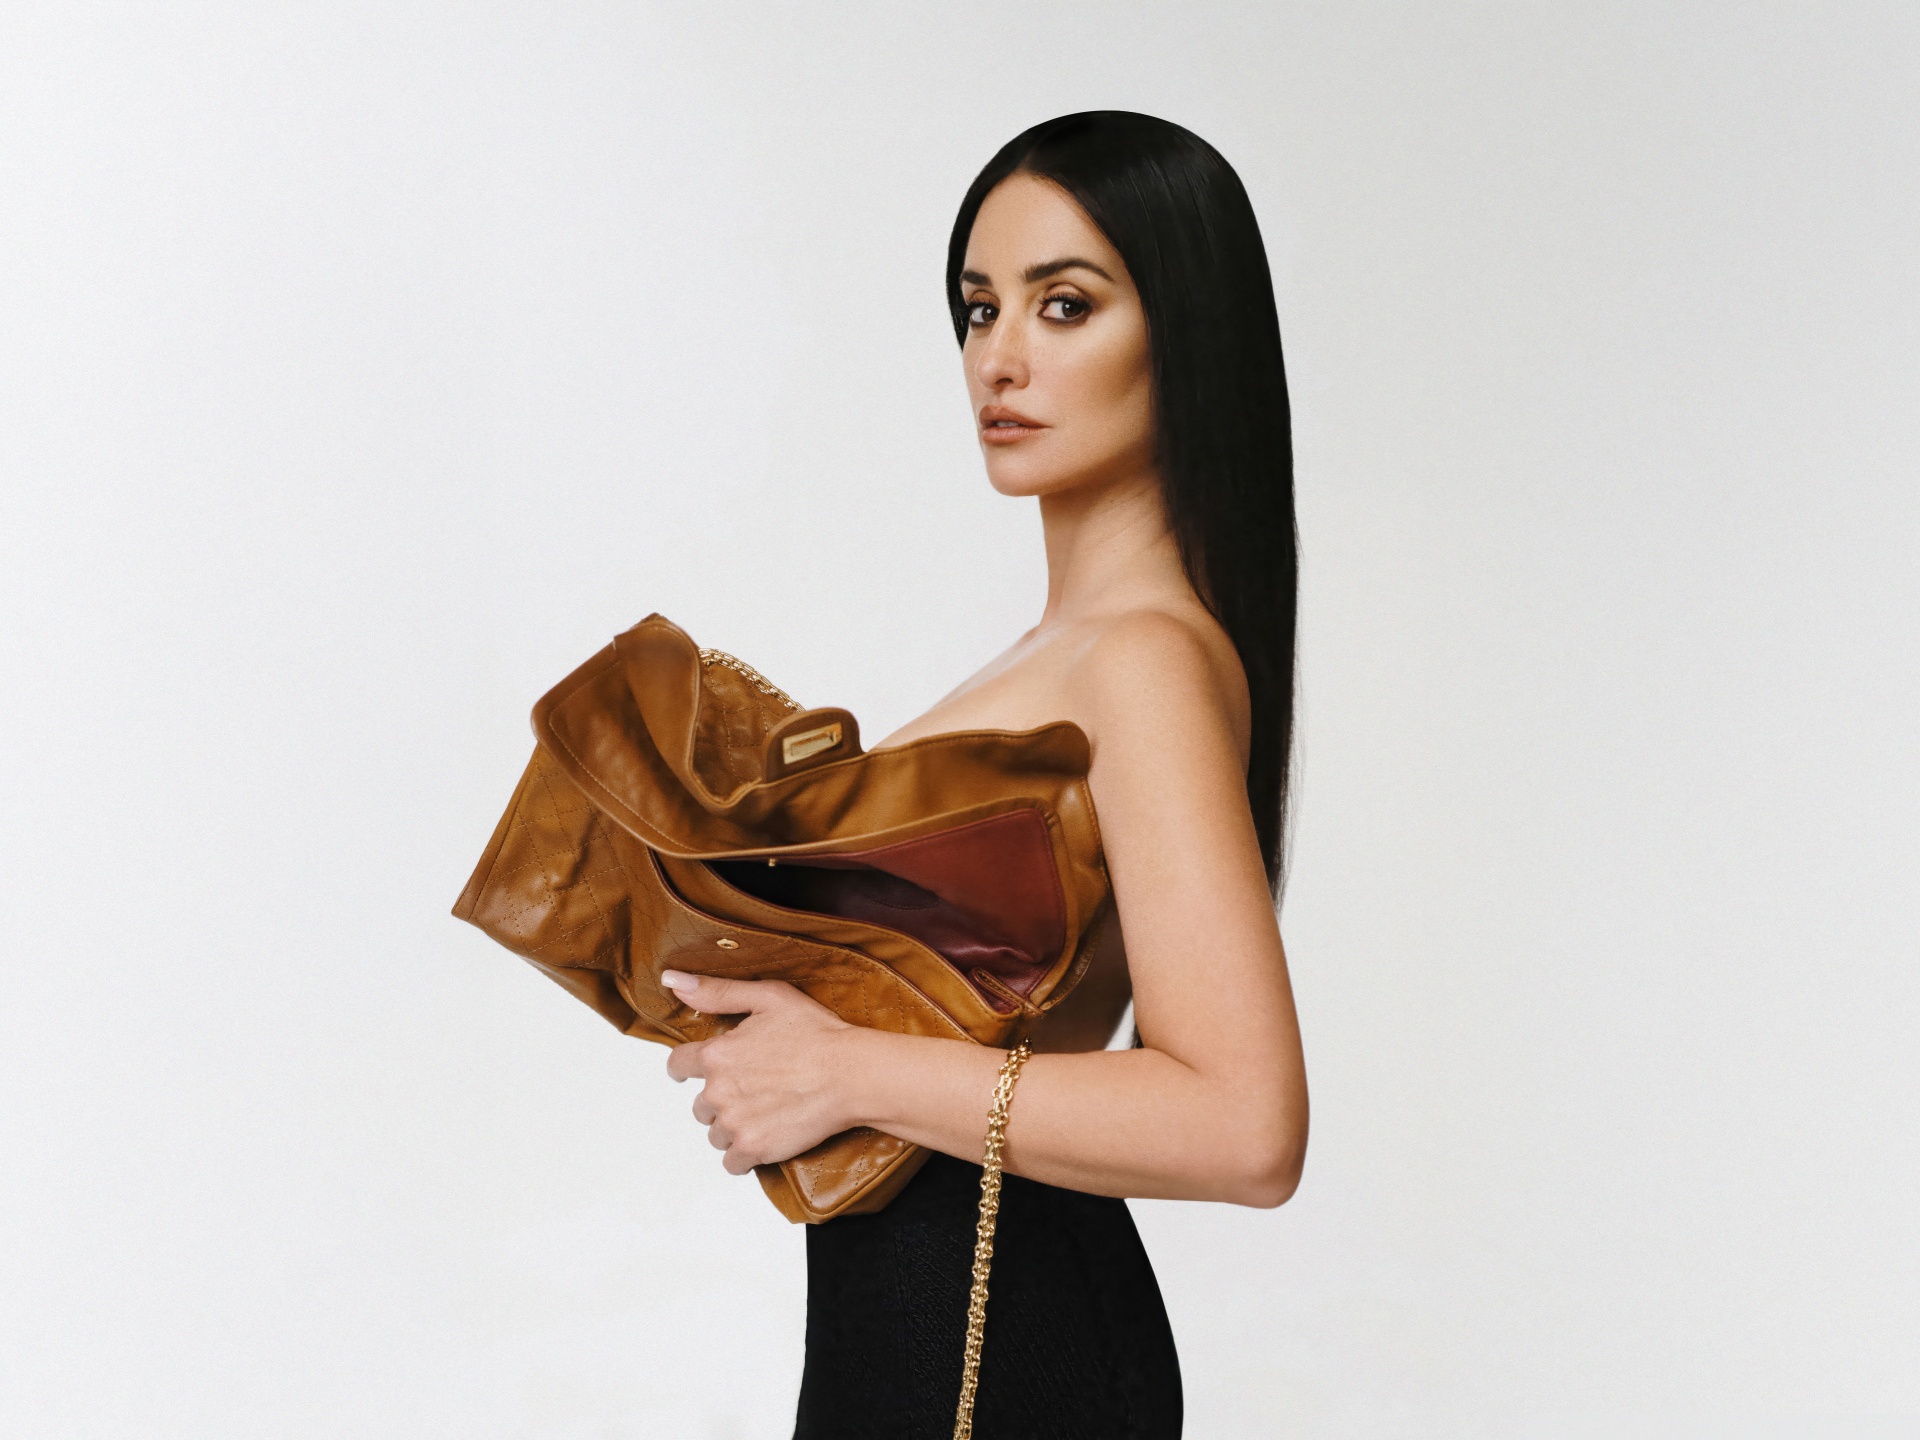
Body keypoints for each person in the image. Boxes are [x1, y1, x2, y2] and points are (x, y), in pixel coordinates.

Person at [659, 111, 1309, 1439]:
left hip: (996, 1351)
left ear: (1183, 331)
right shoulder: (1066, 657)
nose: (998, 358)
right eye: (977, 308)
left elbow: (1246, 1124)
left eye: (1064, 306)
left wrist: (849, 1075)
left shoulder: (1140, 661)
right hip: (919, 1340)